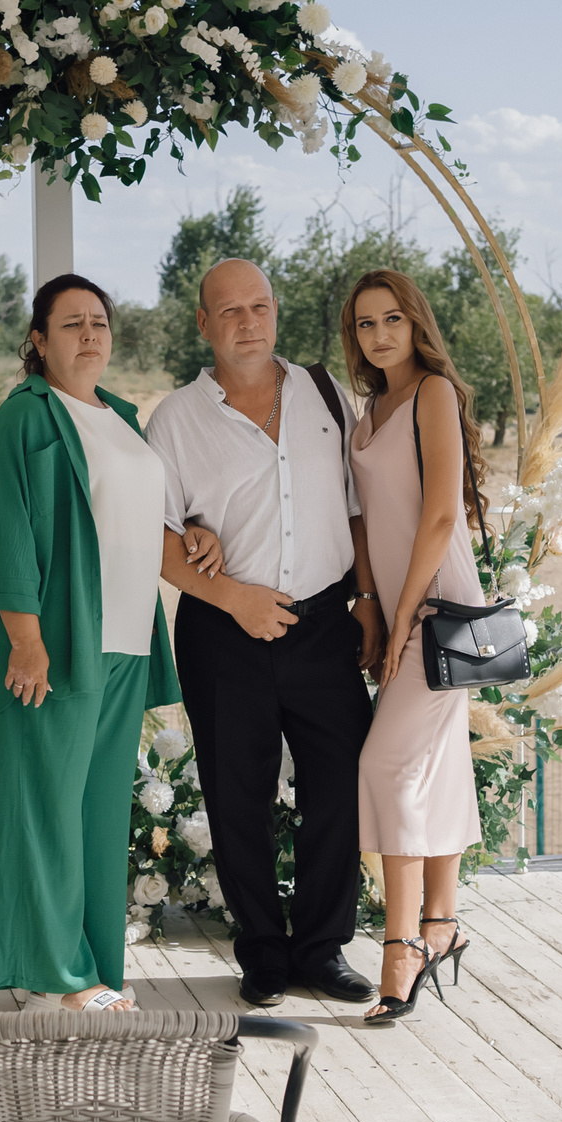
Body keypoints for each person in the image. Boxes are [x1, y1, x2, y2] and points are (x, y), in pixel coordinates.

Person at [146, 258, 383, 1008]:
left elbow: (356, 509)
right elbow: (156, 539)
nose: (248, 321)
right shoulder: (175, 419)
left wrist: (369, 597)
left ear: (276, 310)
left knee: (340, 790)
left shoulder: (325, 395)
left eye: (260, 306)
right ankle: (263, 955)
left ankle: (321, 949)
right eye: (230, 310)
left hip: (325, 625)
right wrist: (229, 595)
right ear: (203, 324)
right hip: (223, 633)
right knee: (236, 796)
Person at [0, 273, 181, 1012]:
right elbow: (6, 532)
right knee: (44, 811)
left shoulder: (120, 417)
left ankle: (91, 966)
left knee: (95, 817)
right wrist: (24, 641)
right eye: (71, 324)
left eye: (99, 321)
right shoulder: (24, 419)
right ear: (38, 340)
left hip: (125, 644)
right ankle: (59, 978)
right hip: (57, 648)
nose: (90, 334)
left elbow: (138, 518)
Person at [341, 268, 486, 1022]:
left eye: (392, 318)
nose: (380, 334)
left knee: (385, 761)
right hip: (400, 606)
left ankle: (402, 945)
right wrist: (371, 603)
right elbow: (366, 521)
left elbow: (438, 515)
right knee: (438, 760)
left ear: (415, 321)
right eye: (366, 324)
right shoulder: (370, 409)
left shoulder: (433, 393)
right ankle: (441, 922)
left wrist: (402, 618)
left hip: (439, 606)